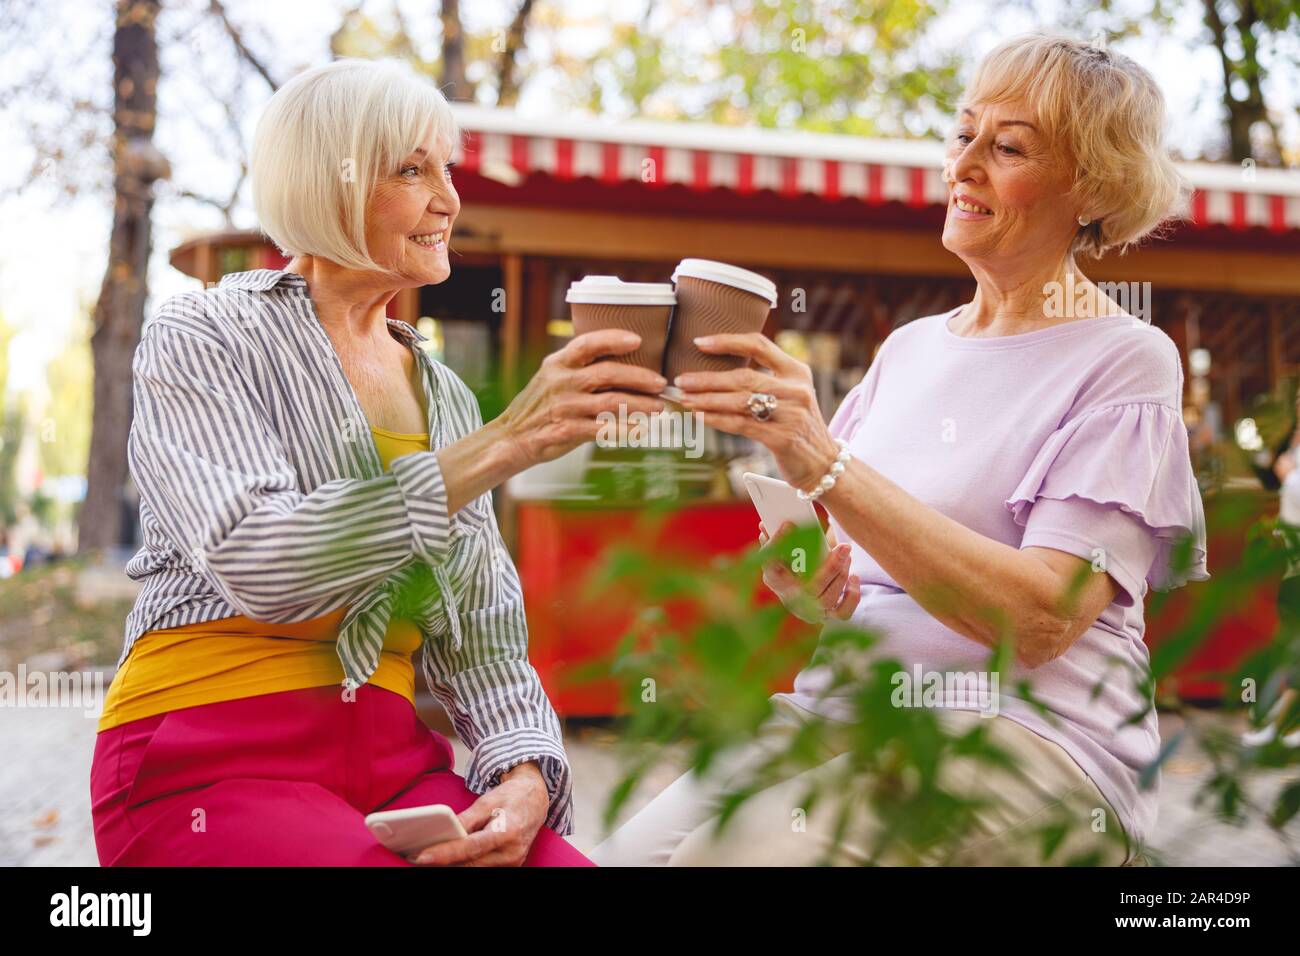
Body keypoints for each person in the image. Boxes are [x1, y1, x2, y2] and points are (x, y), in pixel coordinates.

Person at [593, 34, 1208, 866]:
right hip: (846, 711)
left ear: (1091, 186)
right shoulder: (909, 350)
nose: (965, 165)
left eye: (1010, 146)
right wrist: (810, 583)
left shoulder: (1127, 359)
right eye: (963, 135)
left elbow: (1040, 620)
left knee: (731, 857)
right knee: (619, 858)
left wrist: (824, 460)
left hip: (1027, 741)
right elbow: (845, 573)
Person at [90, 58, 667, 867]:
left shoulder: (447, 400)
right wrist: (506, 442)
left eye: (448, 168)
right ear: (330, 185)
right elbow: (265, 562)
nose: (449, 198)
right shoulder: (204, 335)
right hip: (207, 754)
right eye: (412, 169)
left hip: (395, 767)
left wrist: (528, 776)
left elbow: (484, 641)